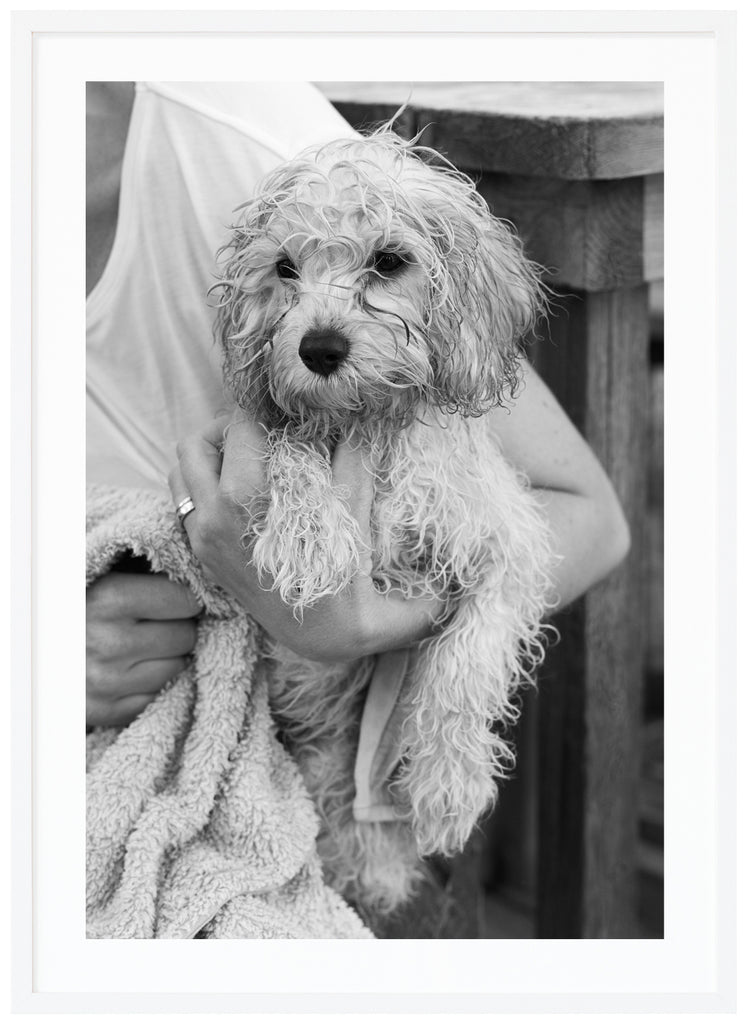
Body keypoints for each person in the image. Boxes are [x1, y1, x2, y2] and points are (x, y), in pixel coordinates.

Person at [86, 82, 630, 933]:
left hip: (341, 774)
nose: (323, 317)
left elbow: (569, 524)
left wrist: (369, 634)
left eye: (383, 266)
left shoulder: (245, 129)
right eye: (290, 274)